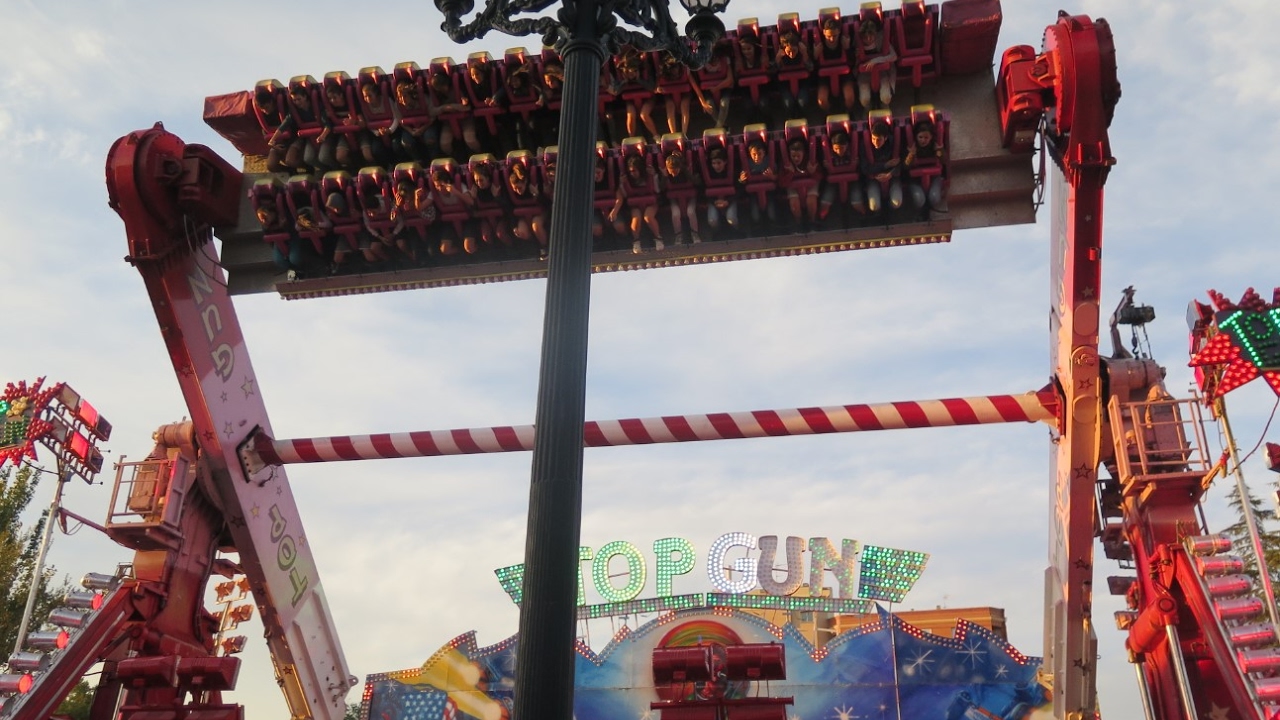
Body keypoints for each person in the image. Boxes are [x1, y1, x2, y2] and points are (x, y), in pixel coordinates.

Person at [613, 153, 662, 253]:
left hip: (650, 202)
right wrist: (622, 183)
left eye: (634, 171)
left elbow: (657, 190)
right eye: (630, 171)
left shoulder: (648, 176)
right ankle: (636, 241)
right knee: (636, 219)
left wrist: (654, 176)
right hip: (635, 203)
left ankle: (658, 238)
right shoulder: (628, 180)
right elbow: (625, 195)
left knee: (648, 217)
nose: (632, 174)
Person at [426, 71, 479, 158]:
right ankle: (456, 158)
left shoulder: (457, 89)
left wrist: (452, 106)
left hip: (465, 119)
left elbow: (467, 107)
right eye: (439, 88)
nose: (443, 89)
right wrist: (444, 108)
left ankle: (478, 153)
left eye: (443, 86)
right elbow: (432, 111)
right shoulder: (436, 95)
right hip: (449, 121)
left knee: (470, 140)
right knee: (444, 144)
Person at [818, 130, 865, 221]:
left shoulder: (853, 151)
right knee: (825, 203)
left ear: (847, 145)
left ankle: (864, 217)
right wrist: (825, 167)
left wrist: (857, 164)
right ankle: (821, 220)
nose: (839, 151)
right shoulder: (828, 154)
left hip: (852, 179)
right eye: (836, 149)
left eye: (842, 148)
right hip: (833, 180)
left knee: (857, 203)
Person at [428, 167, 475, 255]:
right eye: (436, 186)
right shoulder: (435, 192)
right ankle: (461, 253)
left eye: (441, 186)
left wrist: (455, 192)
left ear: (448, 183)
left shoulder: (459, 186)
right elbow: (420, 207)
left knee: (469, 247)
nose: (439, 188)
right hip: (449, 221)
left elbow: (471, 202)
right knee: (444, 250)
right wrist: (416, 198)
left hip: (466, 219)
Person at [904, 118, 947, 216]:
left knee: (935, 198)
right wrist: (911, 155)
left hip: (933, 177)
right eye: (920, 137)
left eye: (926, 137)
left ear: (931, 137)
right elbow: (905, 166)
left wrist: (939, 151)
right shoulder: (912, 146)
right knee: (919, 200)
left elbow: (943, 161)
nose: (923, 140)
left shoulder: (935, 146)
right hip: (915, 179)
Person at [505, 161, 548, 258]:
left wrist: (537, 195)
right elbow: (509, 208)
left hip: (540, 212)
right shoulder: (512, 193)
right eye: (515, 188)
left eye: (519, 187)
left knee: (536, 225)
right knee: (521, 232)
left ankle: (544, 247)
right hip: (523, 215)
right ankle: (533, 247)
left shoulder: (535, 185)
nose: (518, 191)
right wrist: (514, 226)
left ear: (525, 182)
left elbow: (547, 203)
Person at [813, 18, 855, 114]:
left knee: (850, 98)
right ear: (823, 32)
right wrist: (815, 56)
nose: (832, 39)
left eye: (835, 36)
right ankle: (829, 113)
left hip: (843, 75)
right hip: (825, 77)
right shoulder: (820, 46)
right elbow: (813, 69)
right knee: (822, 100)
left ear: (839, 32)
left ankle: (848, 112)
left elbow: (853, 62)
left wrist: (847, 49)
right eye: (829, 36)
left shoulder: (843, 42)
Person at [659, 150, 702, 243]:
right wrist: (665, 176)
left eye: (676, 171)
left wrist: (688, 173)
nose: (674, 174)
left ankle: (695, 234)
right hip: (674, 197)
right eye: (671, 171)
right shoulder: (667, 174)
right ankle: (678, 235)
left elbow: (696, 182)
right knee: (675, 214)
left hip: (689, 196)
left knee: (690, 212)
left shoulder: (685, 170)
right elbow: (661, 188)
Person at [256, 201, 306, 280]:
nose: (264, 219)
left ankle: (302, 269)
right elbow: (268, 237)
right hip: (279, 241)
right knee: (278, 260)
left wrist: (284, 226)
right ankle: (292, 271)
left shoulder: (283, 215)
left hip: (293, 237)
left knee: (295, 258)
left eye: (265, 216)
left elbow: (295, 228)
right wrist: (266, 229)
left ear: (272, 213)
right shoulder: (266, 223)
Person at [860, 120, 902, 214]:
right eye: (873, 139)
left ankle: (891, 212)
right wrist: (885, 165)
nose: (875, 142)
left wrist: (890, 174)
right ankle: (878, 214)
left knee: (896, 202)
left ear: (886, 138)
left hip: (892, 177)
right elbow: (865, 168)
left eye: (879, 140)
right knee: (874, 206)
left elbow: (900, 164)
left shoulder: (894, 143)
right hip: (874, 178)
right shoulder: (865, 145)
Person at [690, 43, 735, 130]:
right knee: (709, 105)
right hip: (707, 87)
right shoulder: (702, 62)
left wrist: (715, 88)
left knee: (724, 103)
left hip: (723, 86)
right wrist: (703, 102)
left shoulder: (725, 59)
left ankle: (718, 127)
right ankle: (723, 125)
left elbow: (730, 79)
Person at [779, 137, 822, 228]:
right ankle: (798, 222)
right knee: (794, 203)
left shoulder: (810, 160)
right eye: (793, 156)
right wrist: (790, 173)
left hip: (810, 183)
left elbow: (820, 177)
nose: (796, 158)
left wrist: (812, 172)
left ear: (803, 154)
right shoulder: (786, 163)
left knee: (811, 201)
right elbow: (782, 183)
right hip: (792, 184)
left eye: (798, 156)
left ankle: (812, 221)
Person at [856, 19, 897, 111]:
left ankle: (885, 106)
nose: (868, 39)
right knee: (864, 99)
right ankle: (868, 109)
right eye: (865, 37)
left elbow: (894, 56)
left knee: (886, 97)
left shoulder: (881, 39)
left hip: (883, 72)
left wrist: (875, 61)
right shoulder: (858, 44)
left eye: (871, 36)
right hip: (865, 75)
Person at [393, 78, 437, 163]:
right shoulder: (397, 105)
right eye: (400, 96)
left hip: (427, 125)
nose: (402, 99)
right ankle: (418, 161)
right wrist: (411, 131)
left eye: (405, 96)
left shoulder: (425, 99)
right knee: (406, 142)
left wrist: (422, 129)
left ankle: (434, 159)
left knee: (430, 138)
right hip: (410, 128)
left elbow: (433, 117)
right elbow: (400, 121)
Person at [357, 80, 400, 166]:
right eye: (365, 96)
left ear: (376, 94)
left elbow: (396, 118)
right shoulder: (365, 106)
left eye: (370, 96)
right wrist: (377, 132)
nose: (368, 99)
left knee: (397, 146)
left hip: (393, 130)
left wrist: (390, 130)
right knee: (376, 150)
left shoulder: (387, 100)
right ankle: (386, 166)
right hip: (377, 133)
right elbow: (368, 122)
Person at [773, 30, 814, 121]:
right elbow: (773, 72)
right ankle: (790, 118)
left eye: (794, 50)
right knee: (788, 103)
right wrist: (777, 60)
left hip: (802, 83)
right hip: (785, 85)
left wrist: (805, 54)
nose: (791, 54)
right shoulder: (781, 57)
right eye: (789, 51)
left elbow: (811, 68)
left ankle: (803, 117)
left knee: (802, 101)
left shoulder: (802, 54)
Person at [738, 137, 777, 226]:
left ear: (764, 153)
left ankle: (773, 227)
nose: (757, 157)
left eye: (759, 154)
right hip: (754, 193)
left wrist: (772, 176)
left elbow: (777, 178)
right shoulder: (747, 163)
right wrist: (742, 179)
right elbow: (741, 181)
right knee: (755, 215)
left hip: (768, 192)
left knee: (772, 214)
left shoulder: (769, 161)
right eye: (754, 154)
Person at [702, 146, 739, 236]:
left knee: (732, 219)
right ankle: (717, 234)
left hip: (729, 200)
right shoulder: (708, 174)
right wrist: (714, 201)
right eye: (714, 163)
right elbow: (703, 191)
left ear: (725, 162)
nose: (716, 166)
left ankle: (737, 233)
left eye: (719, 163)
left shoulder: (731, 172)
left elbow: (739, 190)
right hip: (714, 201)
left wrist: (728, 201)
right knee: (712, 221)